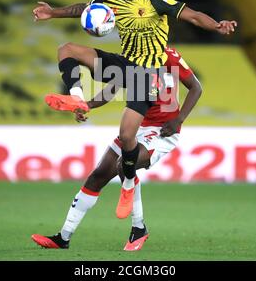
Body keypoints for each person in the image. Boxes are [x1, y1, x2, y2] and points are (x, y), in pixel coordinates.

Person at [32, 0, 237, 218]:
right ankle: (76, 96)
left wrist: (217, 25)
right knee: (67, 49)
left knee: (127, 135)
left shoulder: (155, 0)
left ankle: (128, 184)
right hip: (124, 65)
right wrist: (53, 13)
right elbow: (85, 9)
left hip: (146, 75)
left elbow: (194, 16)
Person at [31, 46, 202, 251]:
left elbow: (196, 87)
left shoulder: (169, 56)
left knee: (124, 165)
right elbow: (111, 90)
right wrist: (87, 105)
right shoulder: (133, 58)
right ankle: (63, 238)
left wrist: (178, 119)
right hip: (137, 126)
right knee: (98, 175)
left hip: (161, 131)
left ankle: (139, 227)